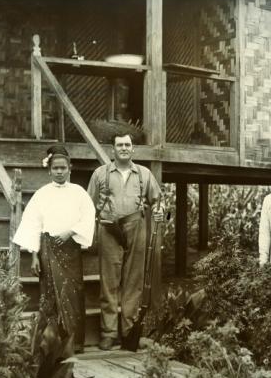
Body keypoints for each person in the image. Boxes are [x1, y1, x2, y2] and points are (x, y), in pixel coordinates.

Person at [13, 145, 95, 354]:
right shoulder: (41, 195)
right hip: (48, 250)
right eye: (55, 168)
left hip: (70, 249)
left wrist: (70, 232)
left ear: (70, 169)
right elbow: (33, 225)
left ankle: (74, 341)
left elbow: (87, 217)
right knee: (49, 294)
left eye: (63, 168)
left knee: (73, 293)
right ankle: (50, 341)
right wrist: (34, 256)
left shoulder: (79, 193)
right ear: (49, 170)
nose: (59, 172)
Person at [87, 133, 164, 351]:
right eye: (119, 144)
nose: (123, 148)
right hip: (108, 228)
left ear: (133, 149)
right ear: (113, 149)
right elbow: (88, 204)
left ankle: (129, 331)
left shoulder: (144, 174)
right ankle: (108, 333)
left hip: (136, 226)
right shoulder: (100, 174)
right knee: (109, 281)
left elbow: (158, 200)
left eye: (127, 145)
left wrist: (159, 210)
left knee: (133, 281)